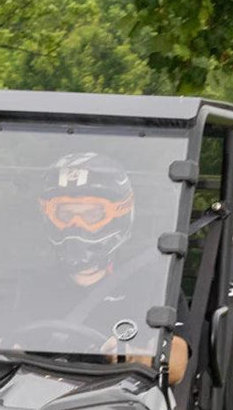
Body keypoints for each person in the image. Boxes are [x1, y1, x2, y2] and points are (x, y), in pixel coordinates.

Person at [34, 152, 189, 383]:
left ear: (119, 214)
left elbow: (176, 365)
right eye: (65, 214)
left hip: (115, 408)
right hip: (31, 405)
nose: (77, 226)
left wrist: (130, 356)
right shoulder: (34, 285)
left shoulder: (154, 287)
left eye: (92, 214)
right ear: (49, 215)